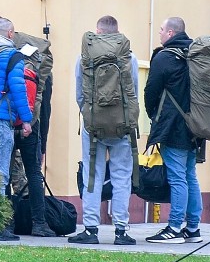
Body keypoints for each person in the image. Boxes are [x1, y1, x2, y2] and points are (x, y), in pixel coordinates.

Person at [69, 15, 138, 245]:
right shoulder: (130, 58)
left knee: (92, 175)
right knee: (121, 177)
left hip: (93, 125)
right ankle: (120, 230)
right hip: (122, 125)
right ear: (117, 34)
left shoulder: (84, 59)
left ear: (97, 32)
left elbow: (80, 94)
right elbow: (134, 92)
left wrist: (90, 115)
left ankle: (90, 230)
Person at [143, 17, 203, 244]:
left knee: (178, 177)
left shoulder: (165, 57)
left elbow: (151, 91)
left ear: (170, 33)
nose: (159, 33)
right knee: (189, 176)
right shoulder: (195, 55)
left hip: (173, 126)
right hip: (195, 126)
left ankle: (175, 227)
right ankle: (193, 227)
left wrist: (153, 116)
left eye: (161, 29)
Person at [0, 17, 39, 241]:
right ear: (10, 34)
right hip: (1, 118)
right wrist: (26, 120)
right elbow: (18, 89)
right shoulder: (12, 55)